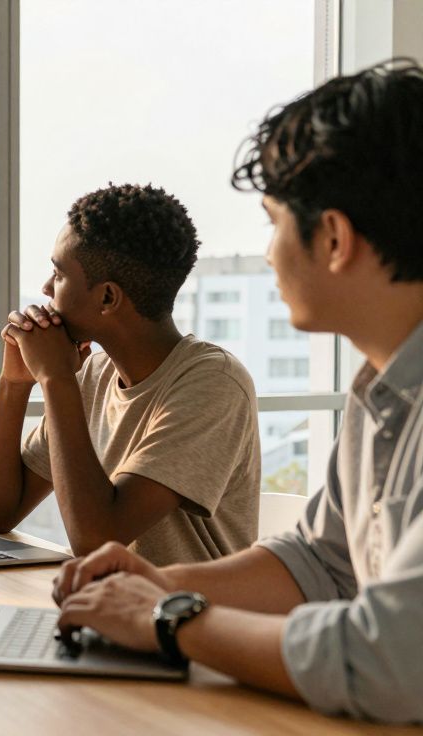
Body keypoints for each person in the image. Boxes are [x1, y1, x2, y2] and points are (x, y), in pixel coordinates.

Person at [52, 59, 423, 724]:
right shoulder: (382, 395)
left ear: (333, 238)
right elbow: (319, 563)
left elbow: (390, 661)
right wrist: (155, 583)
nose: (270, 254)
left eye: (273, 223)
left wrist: (170, 618)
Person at [0, 183, 260, 563]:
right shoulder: (95, 375)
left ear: (108, 297)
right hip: (108, 599)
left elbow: (96, 541)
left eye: (58, 274)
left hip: (184, 602)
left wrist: (56, 380)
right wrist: (14, 383)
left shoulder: (214, 384)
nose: (45, 289)